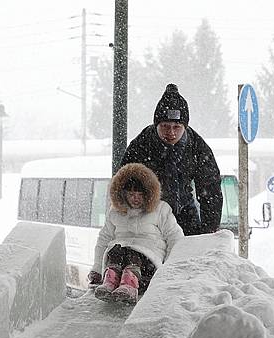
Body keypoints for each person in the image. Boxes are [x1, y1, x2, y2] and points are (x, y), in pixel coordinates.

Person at [121, 83, 223, 236]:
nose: (171, 133)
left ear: (185, 127)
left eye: (177, 126)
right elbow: (123, 185)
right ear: (157, 125)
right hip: (149, 220)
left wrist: (209, 231)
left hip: (185, 218)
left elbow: (210, 190)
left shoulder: (197, 147)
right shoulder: (140, 146)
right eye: (165, 126)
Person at [88, 162, 184, 304]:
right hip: (119, 256)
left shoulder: (161, 210)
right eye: (131, 194)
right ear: (123, 194)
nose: (136, 198)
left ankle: (129, 285)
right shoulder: (115, 212)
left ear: (148, 193)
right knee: (117, 251)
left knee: (133, 253)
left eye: (140, 194)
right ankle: (110, 282)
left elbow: (175, 237)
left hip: (148, 263)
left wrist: (169, 268)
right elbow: (104, 239)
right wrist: (97, 268)